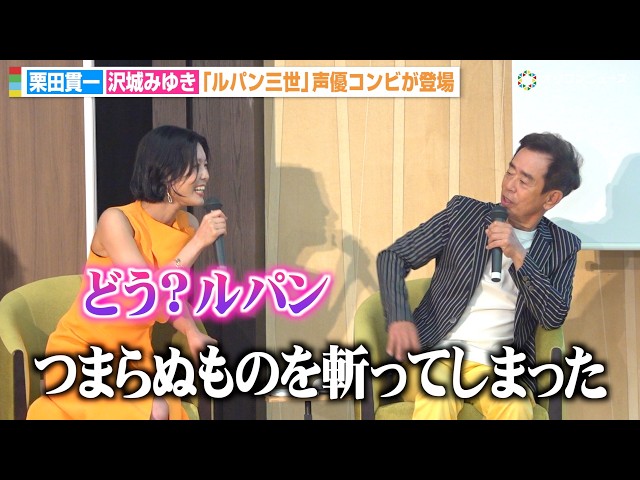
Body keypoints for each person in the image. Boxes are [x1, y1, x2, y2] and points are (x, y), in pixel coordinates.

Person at [376, 132, 583, 419]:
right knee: (438, 396)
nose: (509, 185)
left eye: (524, 181)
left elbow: (553, 316)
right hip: (436, 355)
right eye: (510, 171)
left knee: (516, 408)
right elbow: (393, 257)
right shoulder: (463, 214)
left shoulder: (562, 245)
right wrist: (399, 318)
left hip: (501, 367)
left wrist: (519, 255)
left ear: (551, 198)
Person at [26, 125, 226, 420]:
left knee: (162, 408)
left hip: (133, 358)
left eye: (205, 165)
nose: (205, 175)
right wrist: (198, 244)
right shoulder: (116, 221)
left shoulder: (188, 227)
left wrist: (192, 332)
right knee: (155, 410)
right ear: (166, 172)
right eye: (195, 167)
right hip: (83, 352)